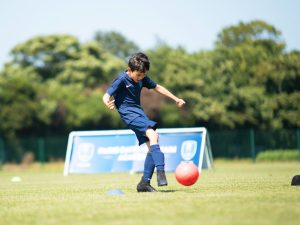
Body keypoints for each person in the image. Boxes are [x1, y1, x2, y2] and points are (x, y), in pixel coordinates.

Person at [102, 52, 185, 192]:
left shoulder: (142, 78)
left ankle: (144, 183)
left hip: (138, 112)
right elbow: (106, 95)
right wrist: (107, 103)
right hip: (128, 114)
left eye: (143, 75)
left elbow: (158, 87)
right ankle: (161, 172)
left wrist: (175, 98)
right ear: (130, 70)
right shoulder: (122, 79)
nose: (141, 78)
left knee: (152, 144)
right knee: (153, 136)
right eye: (138, 75)